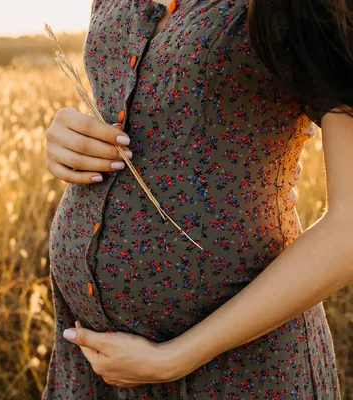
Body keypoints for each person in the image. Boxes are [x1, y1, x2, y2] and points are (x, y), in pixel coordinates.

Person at [42, 0, 353, 398]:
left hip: (237, 368)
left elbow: (348, 225)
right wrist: (67, 140)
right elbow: (147, 112)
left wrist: (176, 357)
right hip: (93, 363)